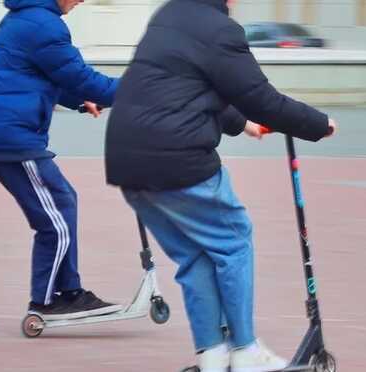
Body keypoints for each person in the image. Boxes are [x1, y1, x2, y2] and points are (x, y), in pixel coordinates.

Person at [104, 0, 338, 370]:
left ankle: (212, 353)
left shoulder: (169, 15)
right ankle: (245, 349)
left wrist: (242, 123)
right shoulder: (220, 30)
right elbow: (261, 98)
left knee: (194, 256)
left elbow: (189, 86)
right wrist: (317, 123)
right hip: (177, 159)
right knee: (233, 240)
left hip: (126, 161)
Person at [0, 0, 121, 319]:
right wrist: (135, 89)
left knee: (62, 202)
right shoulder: (44, 24)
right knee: (56, 220)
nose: (81, 0)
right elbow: (79, 77)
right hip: (13, 136)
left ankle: (69, 291)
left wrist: (82, 100)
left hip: (7, 133)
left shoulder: (26, 18)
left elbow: (46, 75)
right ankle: (45, 302)